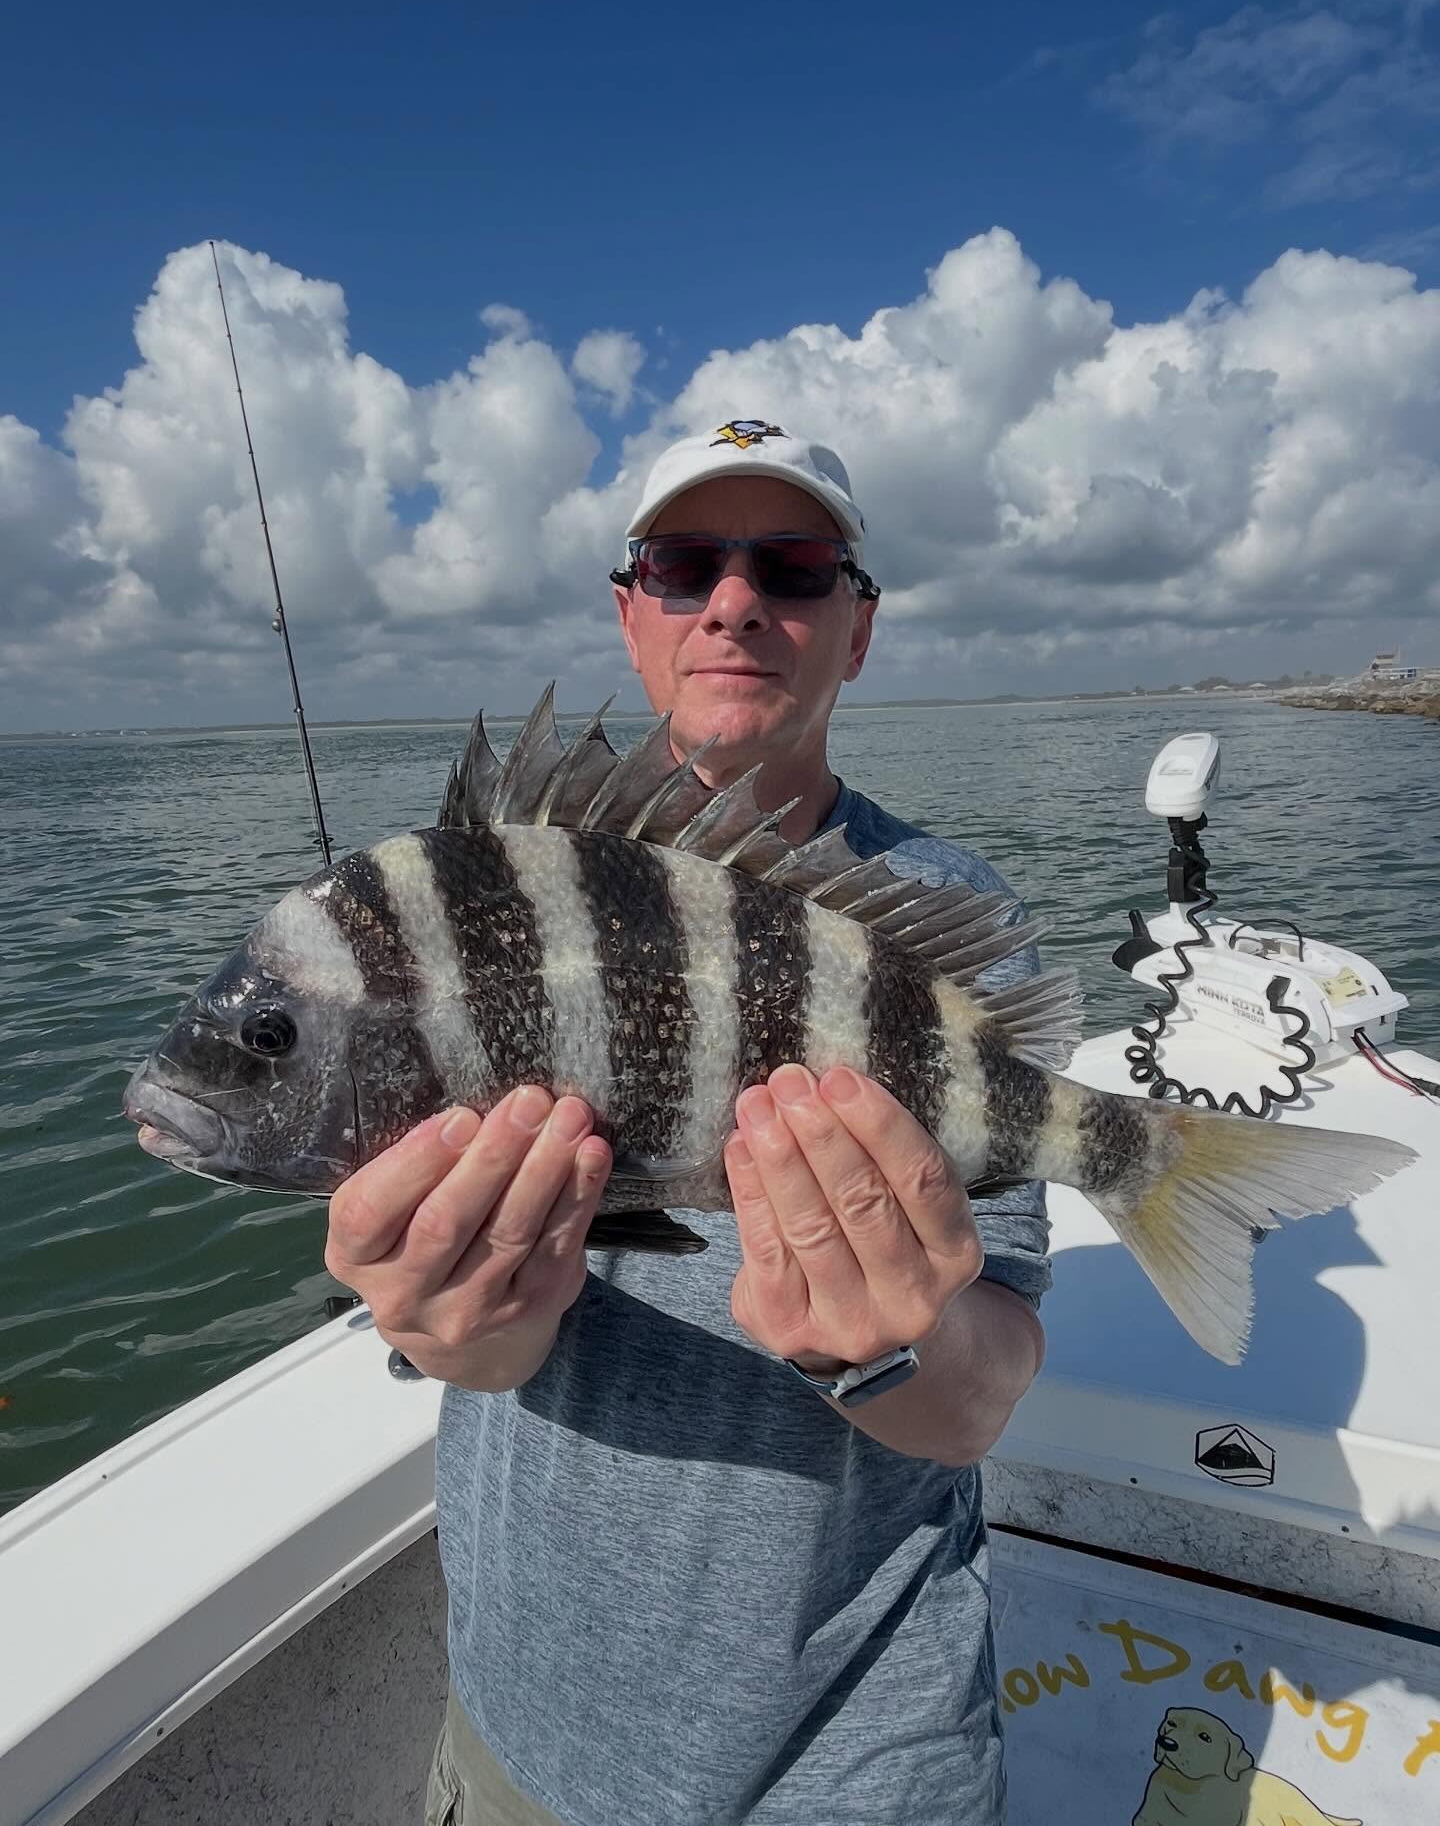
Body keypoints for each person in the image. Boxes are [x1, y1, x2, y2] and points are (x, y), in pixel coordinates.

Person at [325, 423, 1050, 1825]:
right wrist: (454, 1328)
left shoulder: (948, 928)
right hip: (514, 1733)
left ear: (859, 628)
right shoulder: (476, 896)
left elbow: (984, 1392)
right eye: (681, 564)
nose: (734, 601)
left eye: (790, 565)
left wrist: (891, 1347)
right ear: (630, 610)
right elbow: (478, 1344)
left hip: (847, 1766)